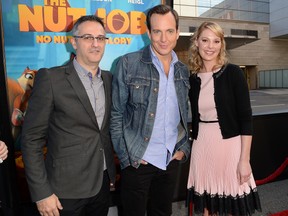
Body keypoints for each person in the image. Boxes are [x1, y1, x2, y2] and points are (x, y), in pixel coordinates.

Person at [21, 15, 116, 216]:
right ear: (74, 42)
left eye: (101, 38)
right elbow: (31, 139)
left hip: (101, 184)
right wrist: (41, 193)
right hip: (64, 192)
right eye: (88, 37)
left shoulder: (109, 79)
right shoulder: (50, 78)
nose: (95, 44)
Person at [110, 4, 191, 216]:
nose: (164, 39)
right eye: (157, 31)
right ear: (148, 33)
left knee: (163, 213)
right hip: (138, 160)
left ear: (177, 33)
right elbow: (116, 114)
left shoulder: (183, 70)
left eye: (169, 31)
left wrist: (183, 149)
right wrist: (127, 157)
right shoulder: (128, 64)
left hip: (170, 159)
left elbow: (185, 115)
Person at [187, 21, 262, 215]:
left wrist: (244, 160)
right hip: (202, 144)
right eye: (205, 40)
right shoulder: (193, 78)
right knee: (206, 204)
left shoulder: (233, 73)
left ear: (222, 44)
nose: (210, 46)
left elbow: (246, 119)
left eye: (216, 41)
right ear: (196, 42)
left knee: (231, 204)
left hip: (229, 146)